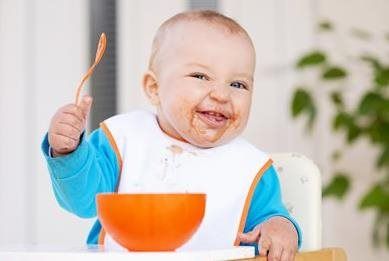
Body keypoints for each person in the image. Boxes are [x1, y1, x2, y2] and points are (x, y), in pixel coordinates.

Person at [42, 10, 302, 260]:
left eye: (238, 84)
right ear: (154, 88)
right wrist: (69, 151)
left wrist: (280, 227)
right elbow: (82, 202)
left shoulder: (251, 168)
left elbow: (267, 225)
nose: (222, 95)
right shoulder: (123, 140)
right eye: (201, 76)